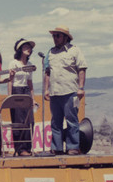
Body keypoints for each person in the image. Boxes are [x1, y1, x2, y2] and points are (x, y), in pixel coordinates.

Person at [44, 26, 87, 155]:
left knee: (71, 120)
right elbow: (47, 72)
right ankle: (56, 147)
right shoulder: (50, 52)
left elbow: (82, 69)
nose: (55, 38)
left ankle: (72, 146)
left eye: (58, 35)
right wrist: (46, 89)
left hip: (71, 92)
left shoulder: (75, 50)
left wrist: (80, 88)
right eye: (53, 36)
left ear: (65, 37)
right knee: (55, 122)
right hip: (55, 93)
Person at [8, 38, 37, 156]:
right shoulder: (13, 63)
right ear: (20, 49)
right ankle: (20, 149)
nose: (28, 49)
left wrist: (33, 98)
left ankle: (27, 147)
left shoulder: (29, 65)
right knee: (18, 121)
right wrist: (10, 96)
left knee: (30, 120)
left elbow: (30, 83)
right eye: (25, 47)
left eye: (30, 47)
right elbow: (10, 81)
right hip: (16, 90)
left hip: (26, 91)